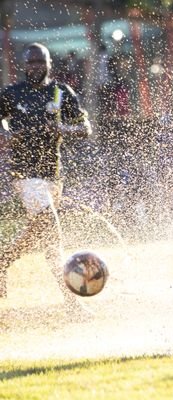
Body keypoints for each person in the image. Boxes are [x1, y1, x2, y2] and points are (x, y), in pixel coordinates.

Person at [0, 43, 92, 313]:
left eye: (40, 62)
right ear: (23, 65)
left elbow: (85, 128)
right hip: (24, 174)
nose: (35, 67)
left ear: (50, 63)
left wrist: (61, 127)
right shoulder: (11, 93)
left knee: (51, 240)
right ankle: (72, 302)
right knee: (50, 224)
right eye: (30, 62)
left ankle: (4, 260)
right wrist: (5, 133)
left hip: (53, 174)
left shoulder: (62, 92)